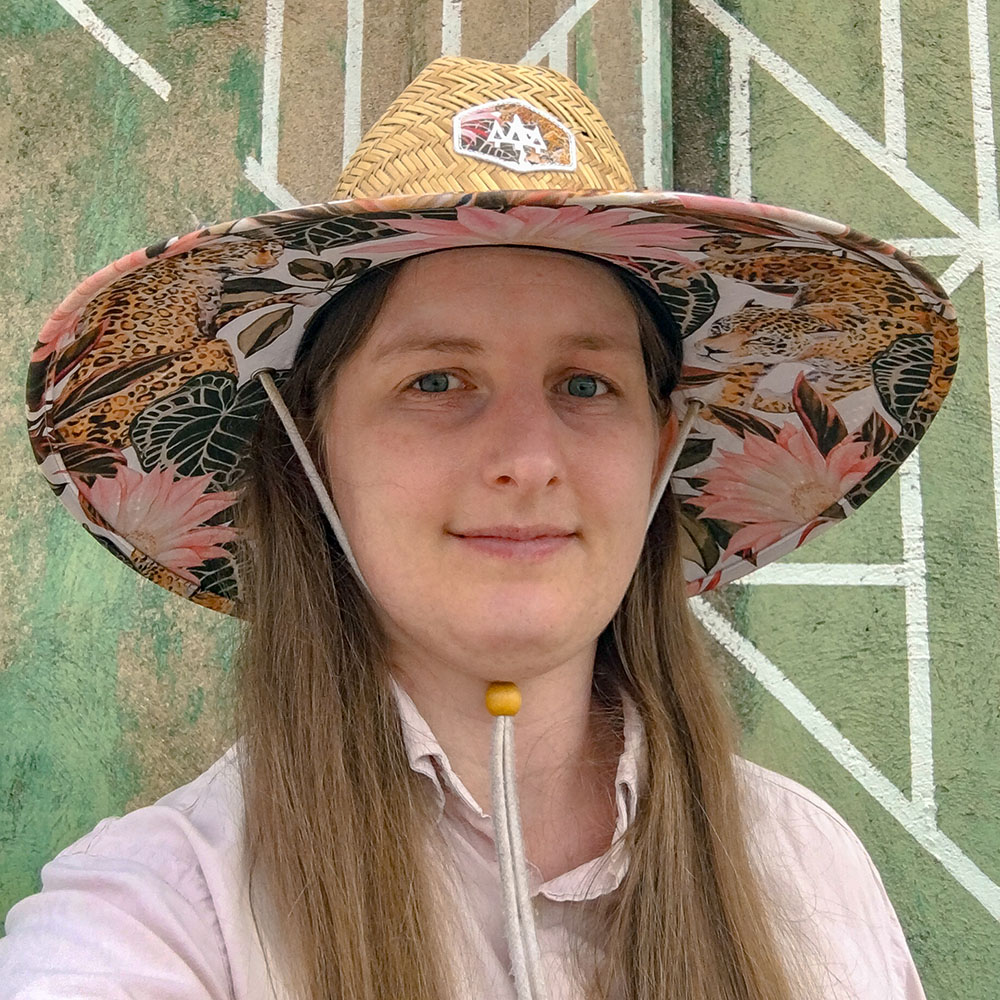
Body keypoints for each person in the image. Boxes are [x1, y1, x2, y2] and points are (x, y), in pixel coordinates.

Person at [1, 56, 956, 1000]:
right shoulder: (161, 916)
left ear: (662, 450)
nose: (528, 457)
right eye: (436, 382)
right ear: (310, 447)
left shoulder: (807, 872)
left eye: (587, 385)